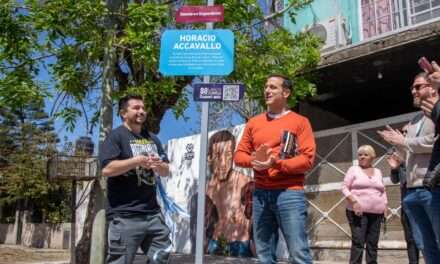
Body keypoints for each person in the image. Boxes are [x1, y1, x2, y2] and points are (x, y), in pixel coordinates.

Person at [234, 74, 315, 264]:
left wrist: (275, 163)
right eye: (266, 87)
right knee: (264, 254)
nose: (267, 90)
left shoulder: (300, 122)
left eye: (273, 87)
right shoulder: (253, 123)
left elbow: (307, 160)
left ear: (286, 92)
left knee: (298, 254)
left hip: (290, 194)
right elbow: (239, 156)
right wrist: (255, 160)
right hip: (260, 194)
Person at [99, 94, 171, 264]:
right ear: (123, 113)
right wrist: (136, 161)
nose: (141, 111)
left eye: (143, 108)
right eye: (136, 108)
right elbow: (107, 169)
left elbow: (166, 170)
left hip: (153, 215)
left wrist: (159, 165)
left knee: (161, 257)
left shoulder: (152, 139)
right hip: (125, 216)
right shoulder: (116, 137)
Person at [378, 72, 440, 264]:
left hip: (432, 187)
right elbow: (410, 149)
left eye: (418, 86)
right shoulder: (414, 120)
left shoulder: (437, 115)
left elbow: (434, 142)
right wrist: (397, 146)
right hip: (411, 190)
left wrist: (404, 141)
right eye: (412, 87)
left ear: (432, 87)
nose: (413, 91)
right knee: (424, 244)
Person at [205, 130, 253, 257]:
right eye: (218, 155)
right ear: (209, 158)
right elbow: (207, 222)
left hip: (240, 243)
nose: (223, 163)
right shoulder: (208, 188)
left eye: (228, 155)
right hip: (215, 243)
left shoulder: (245, 182)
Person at [342, 145, 387, 264]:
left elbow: (382, 190)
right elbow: (344, 188)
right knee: (358, 242)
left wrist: (385, 206)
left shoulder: (378, 172)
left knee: (373, 243)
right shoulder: (353, 169)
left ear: (372, 157)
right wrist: (354, 201)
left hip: (377, 213)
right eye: (360, 155)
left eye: (365, 155)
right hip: (357, 212)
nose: (362, 157)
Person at [386, 131, 421, 264]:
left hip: (420, 196)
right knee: (410, 237)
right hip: (405, 200)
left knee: (428, 234)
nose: (405, 133)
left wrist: (404, 163)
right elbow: (395, 180)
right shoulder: (398, 154)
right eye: (403, 132)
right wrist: (395, 168)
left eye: (407, 132)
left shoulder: (417, 150)